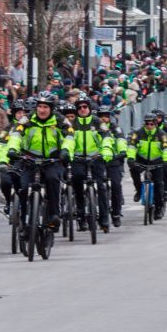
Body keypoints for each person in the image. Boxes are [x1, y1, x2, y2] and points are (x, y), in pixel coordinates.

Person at [6, 91, 73, 230]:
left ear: (52, 109)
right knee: (23, 188)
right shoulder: (27, 120)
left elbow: (70, 137)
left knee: (52, 179)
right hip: (29, 160)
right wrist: (12, 149)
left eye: (45, 107)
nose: (42, 110)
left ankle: (54, 214)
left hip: (52, 160)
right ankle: (23, 221)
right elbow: (16, 134)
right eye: (40, 106)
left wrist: (66, 151)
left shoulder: (60, 120)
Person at [69, 95, 111, 233]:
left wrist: (106, 151)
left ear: (89, 108)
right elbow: (66, 139)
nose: (82, 109)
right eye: (79, 107)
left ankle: (104, 220)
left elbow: (106, 136)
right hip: (78, 158)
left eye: (85, 107)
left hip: (96, 157)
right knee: (77, 181)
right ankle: (80, 215)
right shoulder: (72, 124)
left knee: (101, 187)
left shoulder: (98, 121)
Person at [126, 114, 167, 220]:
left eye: (152, 123)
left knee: (159, 185)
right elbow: (132, 146)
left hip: (157, 161)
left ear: (156, 123)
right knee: (133, 169)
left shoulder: (162, 134)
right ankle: (138, 189)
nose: (149, 125)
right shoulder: (138, 133)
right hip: (141, 160)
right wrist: (131, 158)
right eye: (147, 123)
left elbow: (166, 149)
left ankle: (159, 208)